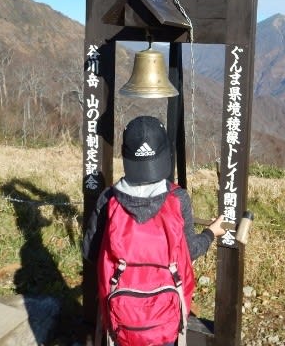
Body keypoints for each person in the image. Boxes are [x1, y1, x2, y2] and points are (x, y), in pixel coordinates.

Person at [82, 115, 225, 346]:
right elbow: (188, 252)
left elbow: (90, 252)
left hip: (121, 320)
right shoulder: (178, 199)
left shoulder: (108, 199)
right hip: (165, 320)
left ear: (126, 155)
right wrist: (210, 233)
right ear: (164, 154)